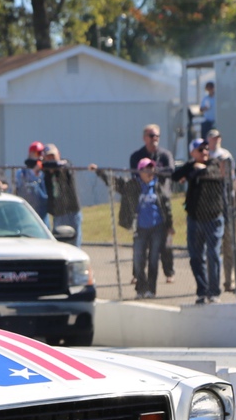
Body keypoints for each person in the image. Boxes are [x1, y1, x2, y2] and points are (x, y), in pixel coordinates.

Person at [91, 158, 172, 299]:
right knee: (138, 259)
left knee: (153, 260)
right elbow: (115, 182)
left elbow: (167, 207)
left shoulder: (158, 187)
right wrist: (99, 172)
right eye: (146, 169)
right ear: (139, 171)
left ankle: (151, 290)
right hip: (140, 228)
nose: (150, 172)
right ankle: (141, 288)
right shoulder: (132, 186)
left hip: (157, 228)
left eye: (152, 169)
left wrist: (169, 226)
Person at [172, 139, 227, 304]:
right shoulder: (191, 165)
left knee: (213, 255)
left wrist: (197, 171)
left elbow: (210, 174)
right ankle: (202, 291)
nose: (204, 152)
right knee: (196, 257)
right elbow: (175, 176)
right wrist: (191, 168)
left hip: (213, 218)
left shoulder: (215, 163)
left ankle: (214, 292)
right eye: (200, 149)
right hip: (195, 218)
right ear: (192, 153)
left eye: (205, 149)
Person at [130, 124, 176, 282]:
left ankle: (169, 272)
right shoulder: (137, 156)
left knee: (165, 242)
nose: (155, 138)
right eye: (151, 136)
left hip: (162, 201)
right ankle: (137, 275)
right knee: (140, 244)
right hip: (144, 201)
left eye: (157, 136)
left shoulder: (164, 155)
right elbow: (134, 175)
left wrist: (154, 172)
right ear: (144, 138)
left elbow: (171, 171)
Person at [42, 145, 83, 247]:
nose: (51, 158)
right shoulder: (46, 172)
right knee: (60, 243)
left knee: (73, 242)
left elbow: (65, 166)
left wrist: (54, 168)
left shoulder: (66, 166)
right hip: (58, 213)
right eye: (48, 156)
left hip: (71, 211)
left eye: (53, 156)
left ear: (58, 155)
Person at [14, 141, 48, 220]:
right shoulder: (22, 172)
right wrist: (34, 172)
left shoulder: (44, 173)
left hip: (41, 212)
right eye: (37, 153)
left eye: (41, 153)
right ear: (30, 154)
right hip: (25, 212)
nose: (40, 156)